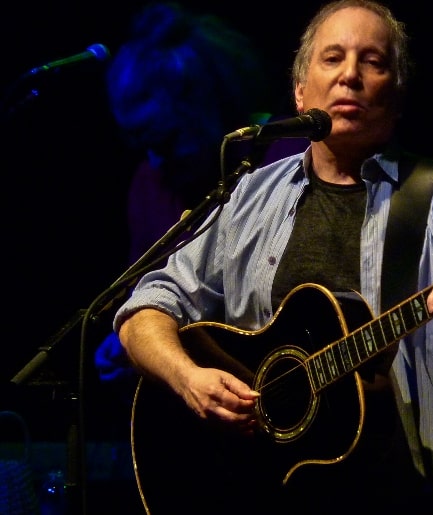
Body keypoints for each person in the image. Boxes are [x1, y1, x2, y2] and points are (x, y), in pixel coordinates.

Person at [114, 1, 433, 513]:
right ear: (300, 89)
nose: (350, 75)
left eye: (373, 62)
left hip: (405, 491)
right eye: (332, 58)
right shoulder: (248, 196)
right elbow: (144, 308)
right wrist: (187, 378)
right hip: (260, 485)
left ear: (397, 95)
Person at [94, 2, 307, 391]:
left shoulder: (288, 155)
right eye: (142, 144)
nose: (156, 160)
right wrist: (130, 338)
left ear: (208, 103)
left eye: (168, 139)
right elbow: (145, 297)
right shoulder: (150, 182)